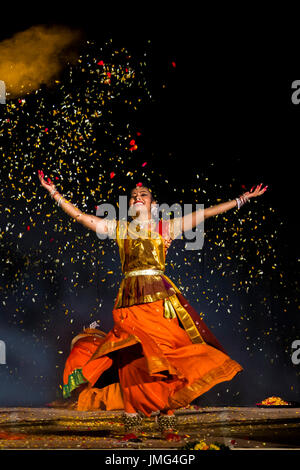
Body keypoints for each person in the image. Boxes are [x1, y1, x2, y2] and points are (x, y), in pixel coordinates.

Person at [37, 170, 267, 441]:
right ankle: (132, 424)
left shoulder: (166, 227)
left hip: (158, 300)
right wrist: (54, 193)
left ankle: (166, 421)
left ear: (153, 205)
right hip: (128, 303)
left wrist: (242, 200)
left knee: (163, 356)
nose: (137, 197)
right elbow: (80, 216)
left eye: (143, 195)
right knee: (130, 356)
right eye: (133, 195)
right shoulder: (119, 228)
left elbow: (206, 213)